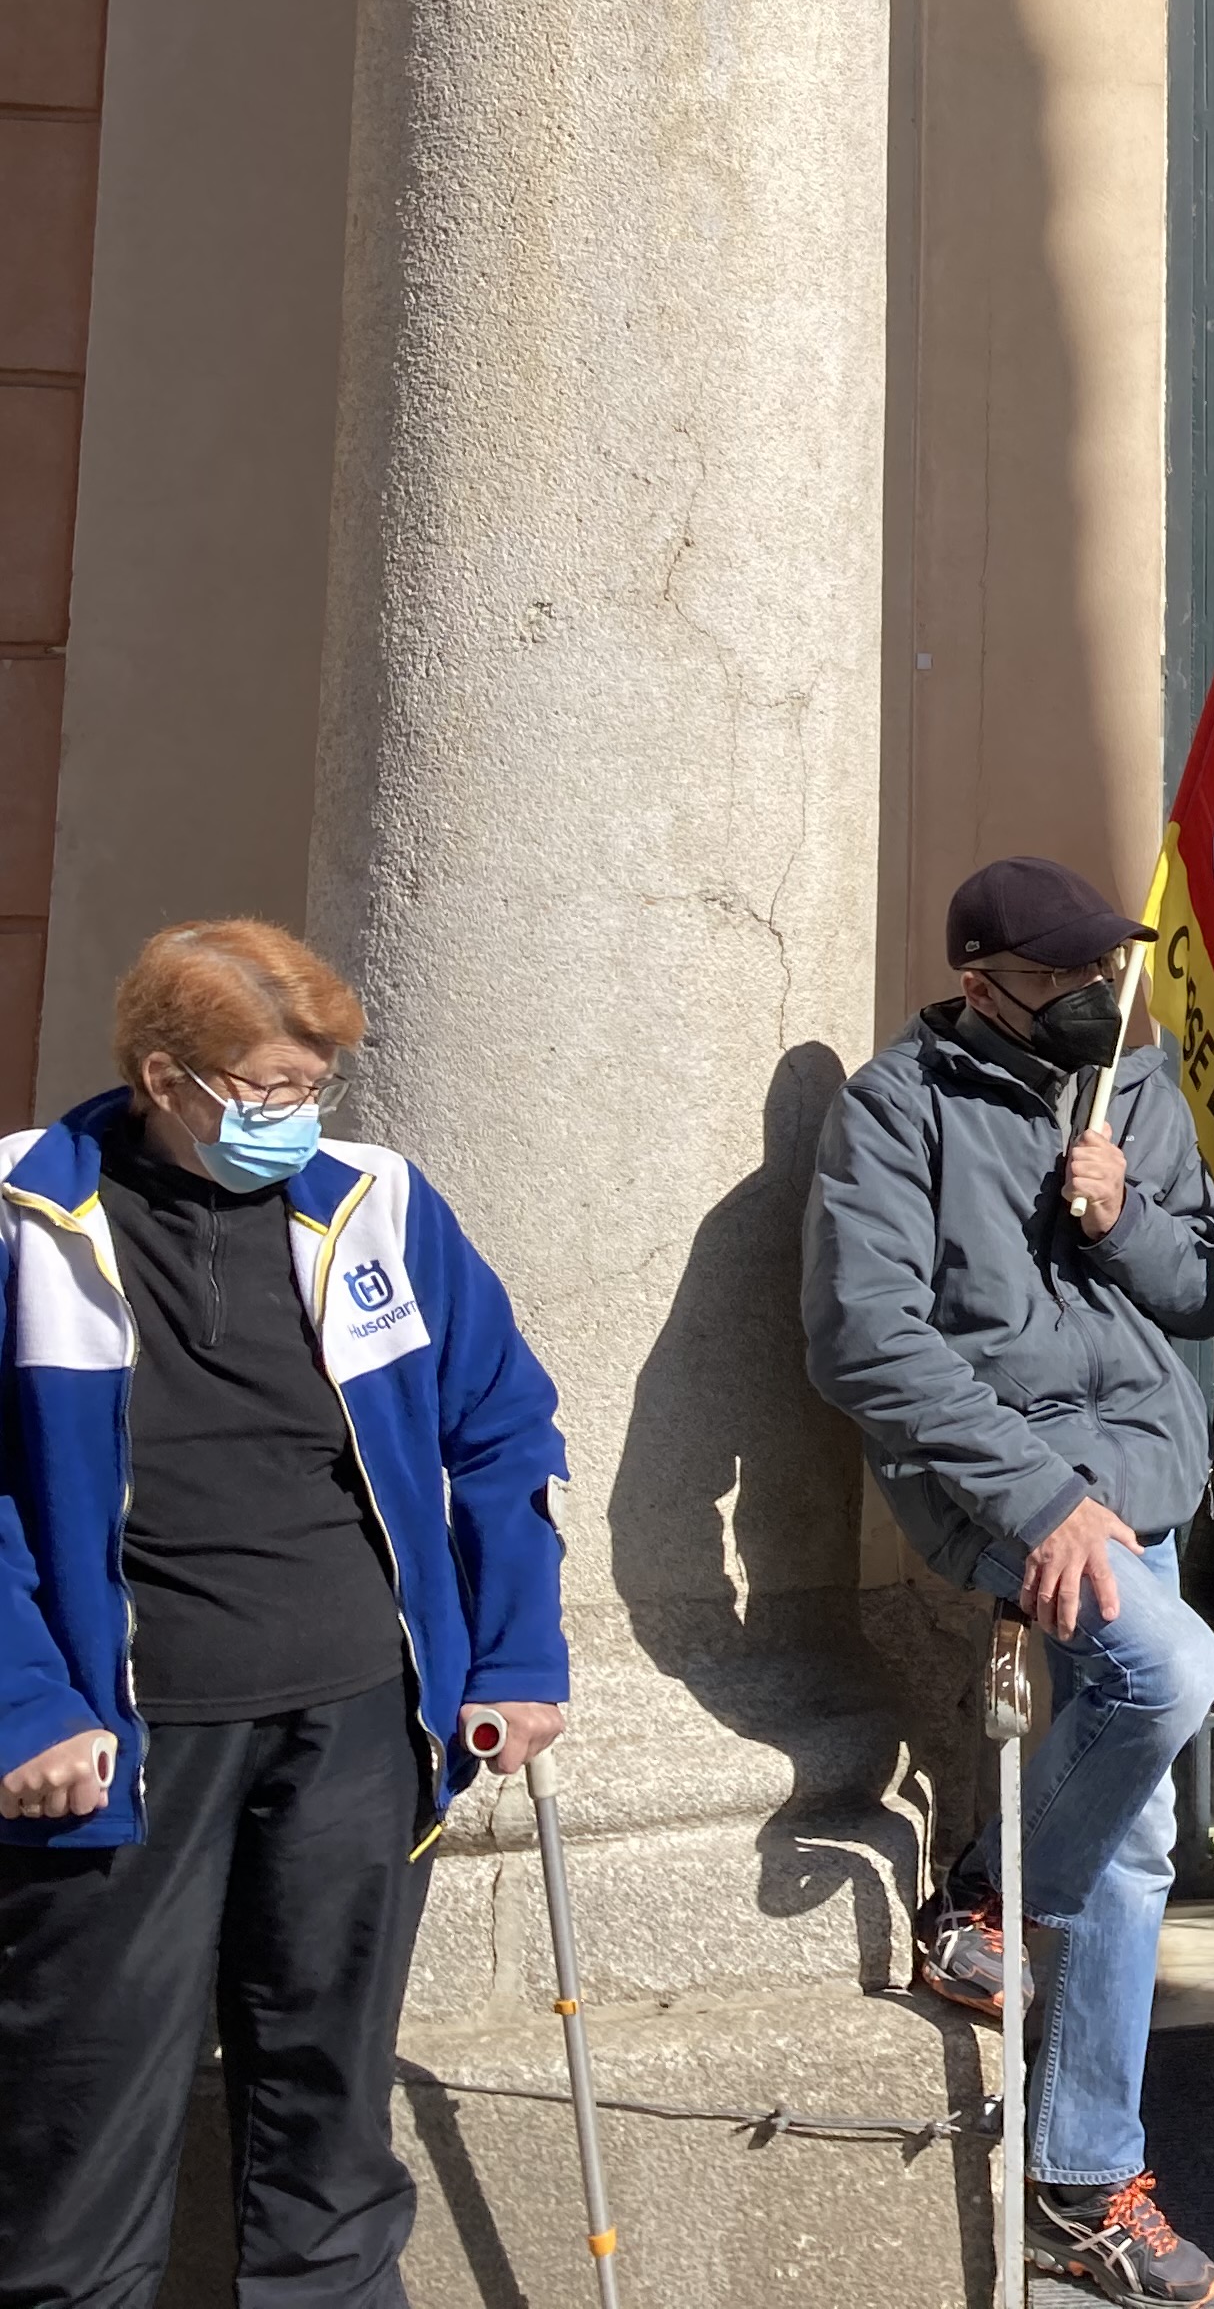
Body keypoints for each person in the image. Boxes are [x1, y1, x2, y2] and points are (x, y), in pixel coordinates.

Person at [0, 917, 569, 2307]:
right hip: (124, 1747)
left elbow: (504, 1429)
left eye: (315, 1086)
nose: (297, 1117)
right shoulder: (22, 1217)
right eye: (267, 1090)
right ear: (165, 1075)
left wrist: (514, 1654)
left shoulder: (378, 1203)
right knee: (86, 2125)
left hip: (355, 1724)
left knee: (328, 2110)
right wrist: (24, 1702)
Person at [806, 855, 1214, 2307]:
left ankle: (1078, 2183)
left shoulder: (1135, 1087)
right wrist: (1041, 1500)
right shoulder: (896, 1108)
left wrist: (1127, 1216)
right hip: (1004, 1483)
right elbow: (866, 1340)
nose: (1090, 1004)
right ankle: (986, 1894)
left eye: (1098, 980)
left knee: (1134, 1844)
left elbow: (1212, 1287)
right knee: (1176, 1675)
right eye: (1059, 983)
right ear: (982, 981)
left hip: (1142, 1484)